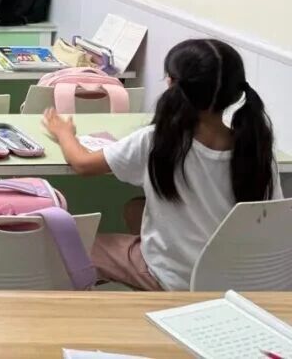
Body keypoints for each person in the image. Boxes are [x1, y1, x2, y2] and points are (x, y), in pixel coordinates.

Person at [43, 39, 281, 291]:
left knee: (78, 247)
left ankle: (147, 287)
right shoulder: (257, 149)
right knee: (135, 208)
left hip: (176, 279)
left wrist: (64, 133)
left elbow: (82, 164)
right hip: (236, 281)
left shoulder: (158, 141)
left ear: (172, 84)